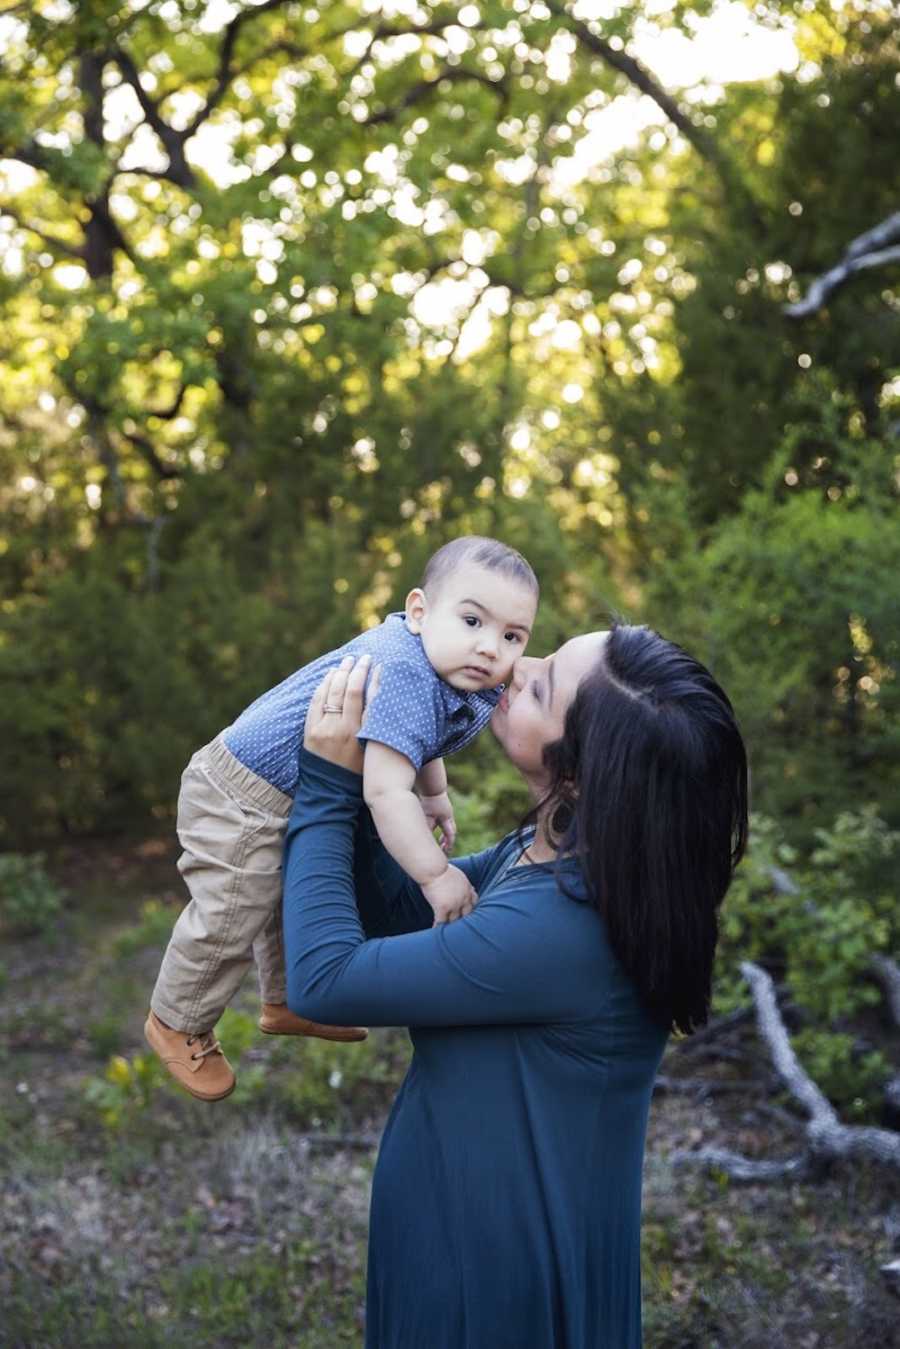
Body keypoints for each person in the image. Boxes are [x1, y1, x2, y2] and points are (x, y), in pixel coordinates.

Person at [283, 624, 749, 1348]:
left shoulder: (560, 924)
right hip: (465, 1232)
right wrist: (390, 791)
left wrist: (325, 784)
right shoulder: (557, 854)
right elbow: (400, 914)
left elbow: (322, 978)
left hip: (494, 1281)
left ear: (580, 773)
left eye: (541, 684)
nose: (515, 665)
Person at [145, 536, 539, 1102]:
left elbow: (419, 742)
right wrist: (434, 874)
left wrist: (435, 794)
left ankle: (285, 1002)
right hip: (240, 792)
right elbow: (383, 791)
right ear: (421, 610)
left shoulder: (443, 666)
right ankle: (176, 1021)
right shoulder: (405, 670)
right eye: (473, 620)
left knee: (285, 894)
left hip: (281, 790)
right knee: (235, 905)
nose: (488, 647)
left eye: (511, 636)